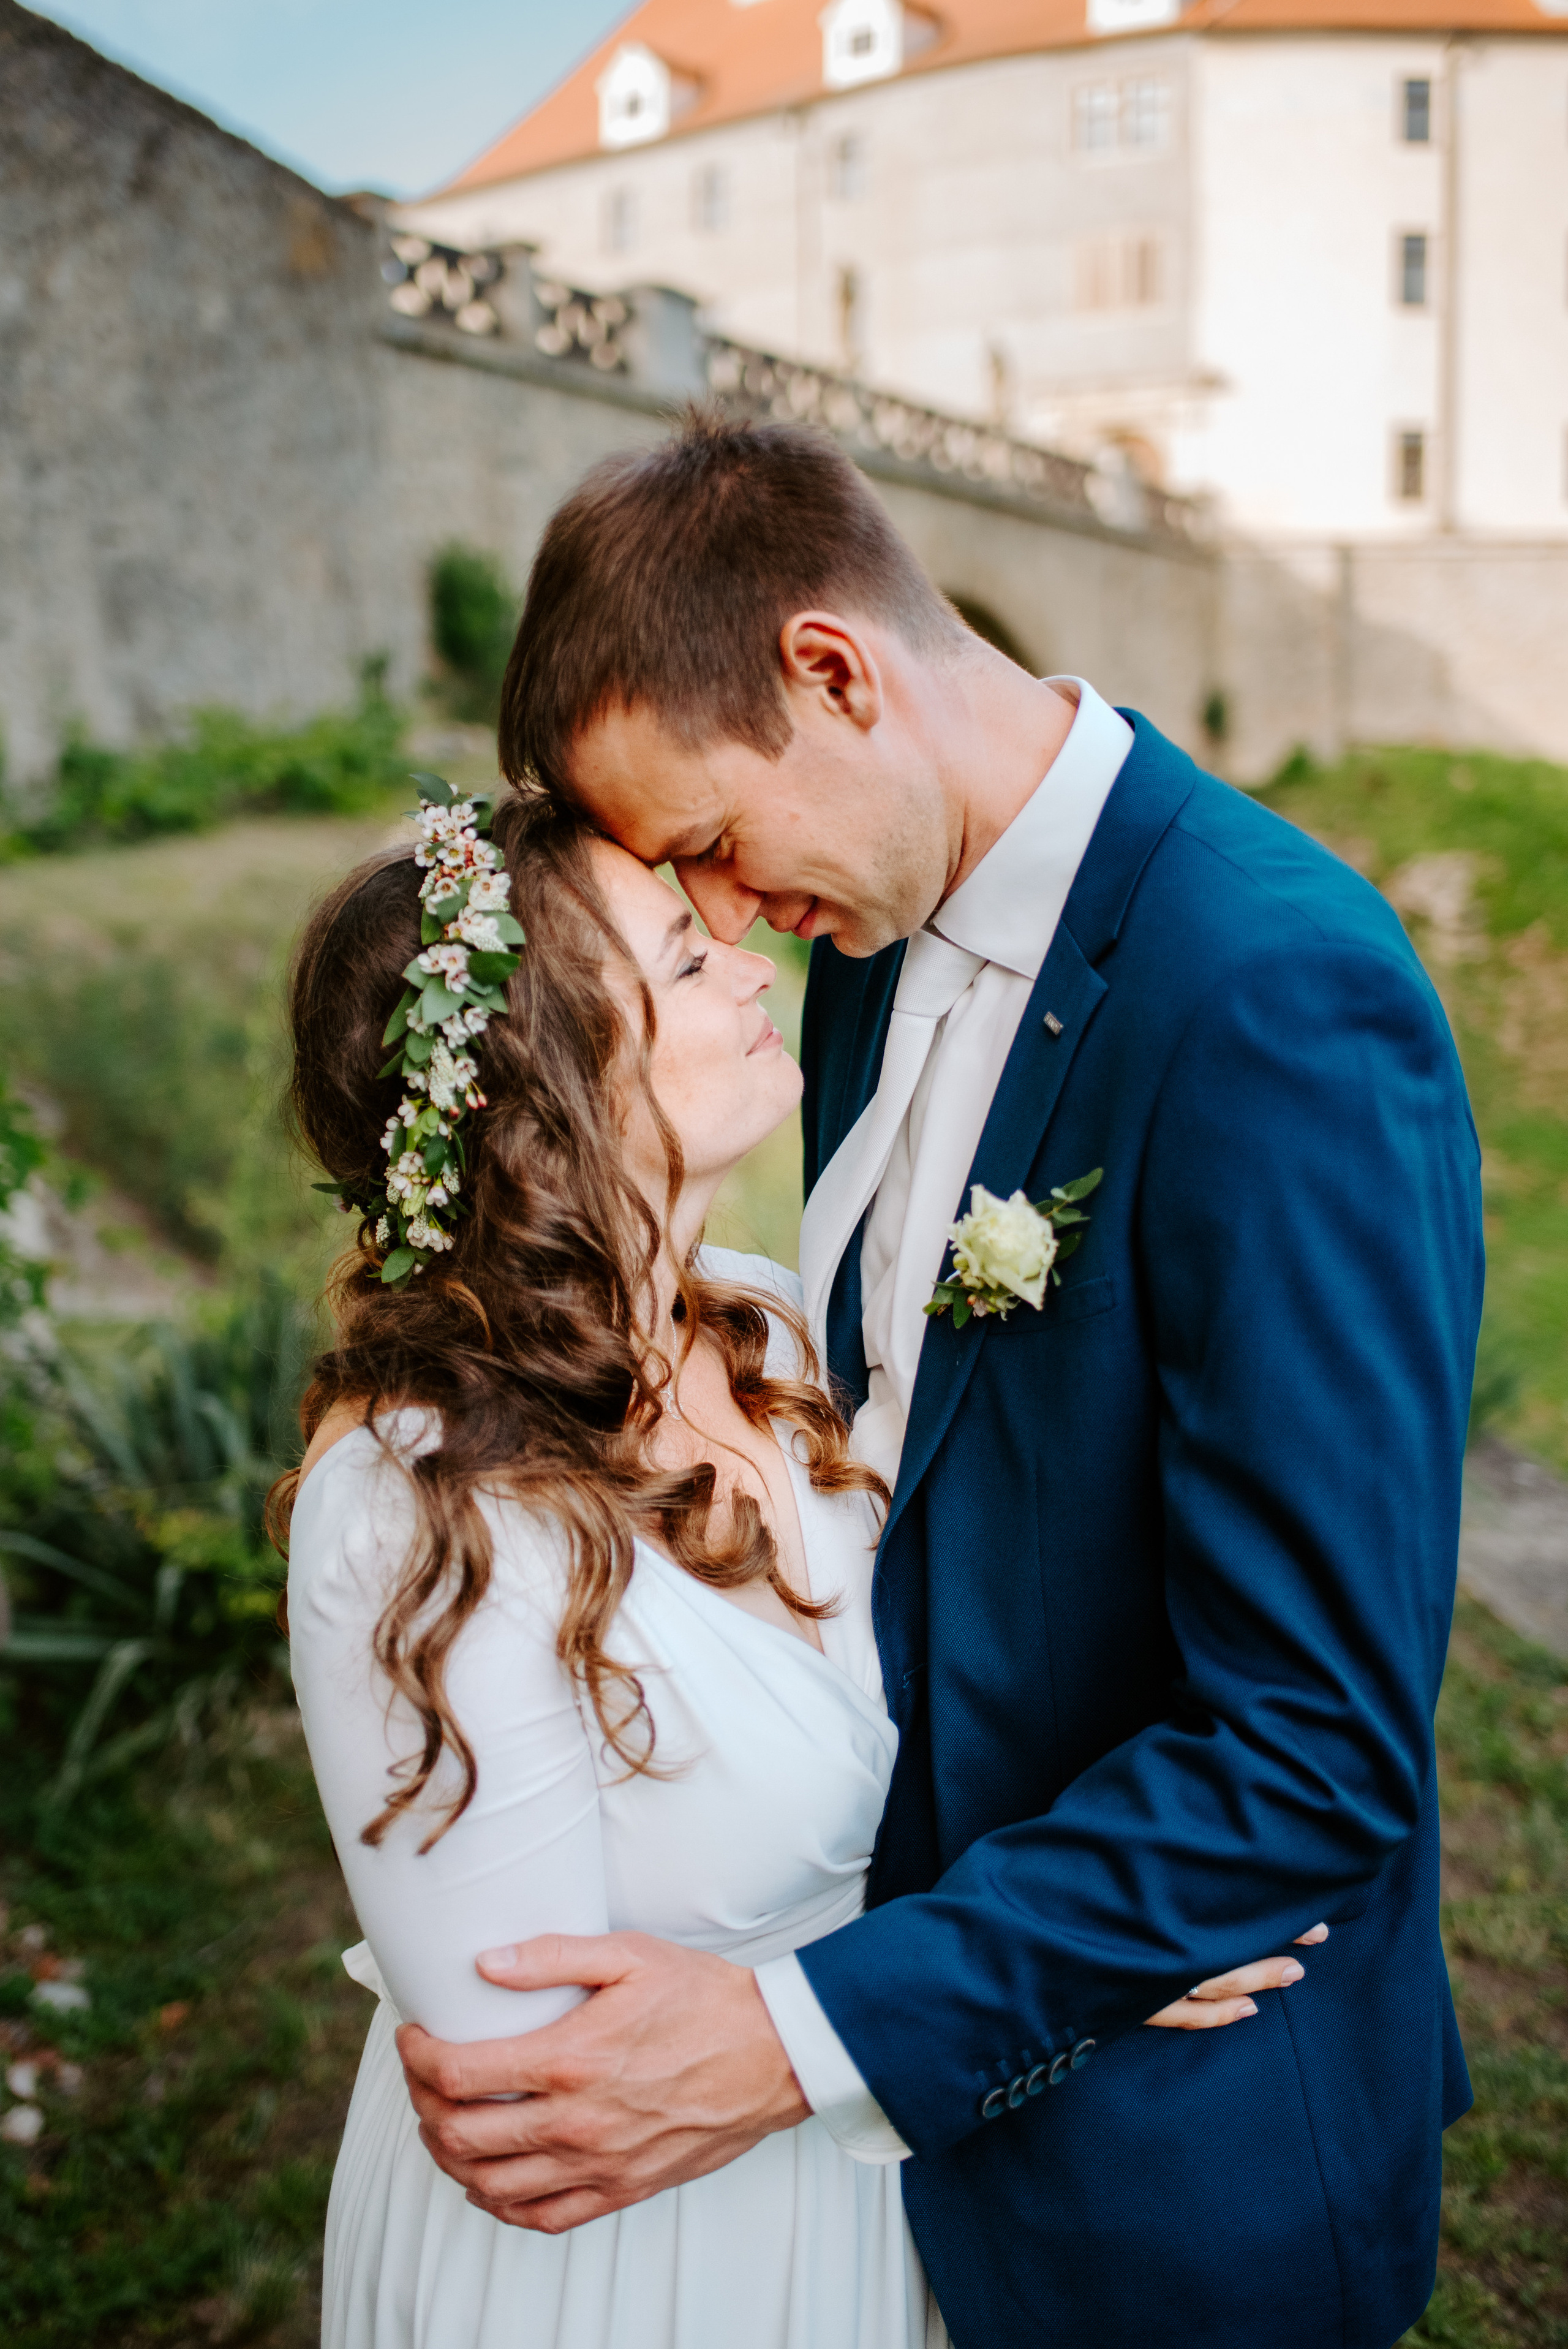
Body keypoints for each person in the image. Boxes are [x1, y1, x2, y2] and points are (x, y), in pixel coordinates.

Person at [395, 414, 1485, 2349]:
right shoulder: (870, 926)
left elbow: (1314, 1751)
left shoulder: (1272, 996)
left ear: (834, 671)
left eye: (713, 842)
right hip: (917, 2149)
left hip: (1173, 2170)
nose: (719, 919)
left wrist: (803, 2025)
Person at [281, 786, 1318, 2349]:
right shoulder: (416, 1511)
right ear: (532, 1103)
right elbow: (535, 2096)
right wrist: (1029, 1973)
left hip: (862, 2194)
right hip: (618, 2275)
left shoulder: (768, 1322)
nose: (758, 967)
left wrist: (1070, 1933)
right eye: (688, 963)